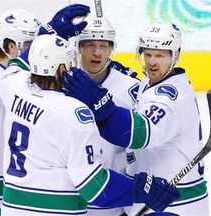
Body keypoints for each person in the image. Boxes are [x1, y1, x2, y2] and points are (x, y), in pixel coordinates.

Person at [0, 33, 179, 216]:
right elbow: (94, 187)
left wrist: (49, 30)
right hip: (55, 211)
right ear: (61, 69)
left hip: (12, 208)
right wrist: (140, 190)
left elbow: (16, 65)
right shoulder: (73, 114)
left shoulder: (13, 87)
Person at [0, 4, 90, 216]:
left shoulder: (31, 82)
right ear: (9, 47)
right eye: (29, 44)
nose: (38, 50)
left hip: (19, 199)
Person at [62, 22, 209, 215]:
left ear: (175, 56)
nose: (152, 62)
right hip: (152, 199)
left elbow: (137, 134)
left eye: (160, 55)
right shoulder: (151, 82)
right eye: (148, 54)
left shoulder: (170, 96)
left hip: (173, 203)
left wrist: (99, 102)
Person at [74, 16, 139, 216]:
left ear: (112, 49)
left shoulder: (130, 89)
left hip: (113, 200)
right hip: (71, 198)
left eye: (103, 45)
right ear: (79, 48)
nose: (97, 52)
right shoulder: (63, 84)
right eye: (90, 45)